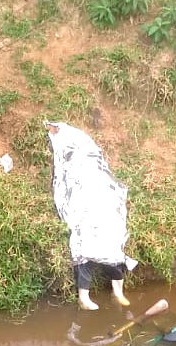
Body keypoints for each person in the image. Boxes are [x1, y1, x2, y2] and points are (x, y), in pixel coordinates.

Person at [45, 120, 138, 310]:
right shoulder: (70, 158)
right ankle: (84, 296)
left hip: (102, 201)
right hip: (84, 202)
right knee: (83, 245)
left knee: (113, 245)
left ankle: (118, 290)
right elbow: (66, 179)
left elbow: (107, 179)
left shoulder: (92, 156)